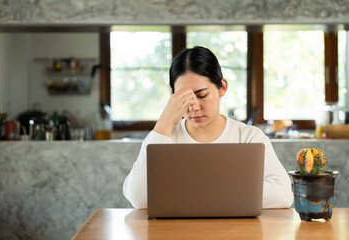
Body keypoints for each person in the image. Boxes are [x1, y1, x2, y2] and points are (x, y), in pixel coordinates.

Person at [123, 46, 293, 209]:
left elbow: (283, 194)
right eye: (184, 98)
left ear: (222, 88)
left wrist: (193, 193)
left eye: (202, 95)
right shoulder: (165, 136)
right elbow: (138, 198)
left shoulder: (248, 137)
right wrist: (163, 124)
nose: (194, 106)